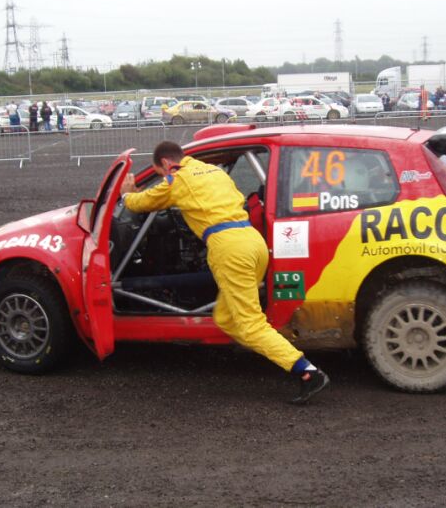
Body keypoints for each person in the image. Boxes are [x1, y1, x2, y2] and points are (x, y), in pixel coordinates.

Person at [119, 141, 330, 404]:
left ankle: (307, 372)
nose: (164, 178)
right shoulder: (213, 171)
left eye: (160, 173)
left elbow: (142, 203)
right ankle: (260, 351)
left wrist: (126, 194)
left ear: (164, 164)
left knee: (250, 324)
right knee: (226, 318)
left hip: (228, 247)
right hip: (252, 241)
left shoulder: (178, 179)